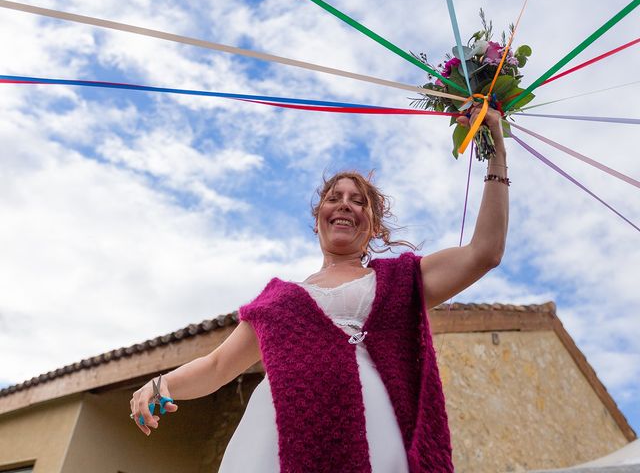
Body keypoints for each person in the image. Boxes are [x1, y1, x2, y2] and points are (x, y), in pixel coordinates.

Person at [129, 106, 509, 472]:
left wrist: (494, 146)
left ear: (374, 227)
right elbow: (216, 366)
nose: (346, 204)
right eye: (334, 198)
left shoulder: (400, 281)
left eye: (359, 201)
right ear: (319, 220)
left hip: (379, 441)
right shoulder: (276, 302)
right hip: (277, 442)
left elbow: (484, 253)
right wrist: (160, 384)